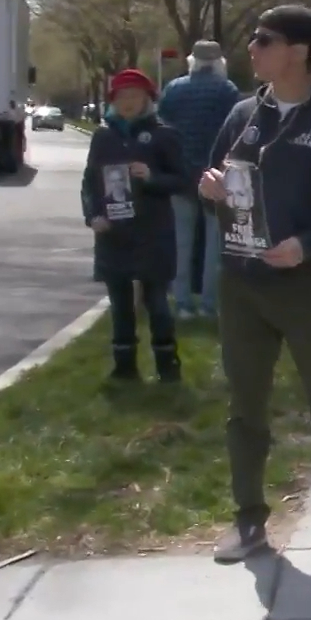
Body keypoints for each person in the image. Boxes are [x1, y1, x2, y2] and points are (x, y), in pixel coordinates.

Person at [198, 5, 311, 563]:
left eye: (264, 40)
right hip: (242, 281)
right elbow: (218, 180)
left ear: (300, 51)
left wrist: (307, 245)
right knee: (245, 404)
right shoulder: (242, 115)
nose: (251, 49)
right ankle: (249, 521)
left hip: (303, 285)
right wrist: (211, 193)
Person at [81, 68, 189, 383]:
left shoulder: (164, 134)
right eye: (121, 97)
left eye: (135, 96)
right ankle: (125, 367)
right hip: (113, 234)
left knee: (157, 303)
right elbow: (90, 182)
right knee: (120, 305)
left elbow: (183, 180)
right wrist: (93, 215)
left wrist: (152, 177)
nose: (128, 103)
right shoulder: (104, 136)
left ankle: (167, 364)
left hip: (152, 233)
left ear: (148, 99)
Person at [156, 40, 242, 318]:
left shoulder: (174, 89)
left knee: (181, 243)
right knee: (214, 246)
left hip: (181, 175)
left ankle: (181, 303)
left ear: (192, 60)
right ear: (219, 63)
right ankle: (209, 304)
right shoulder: (227, 91)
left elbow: (163, 127)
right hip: (217, 176)